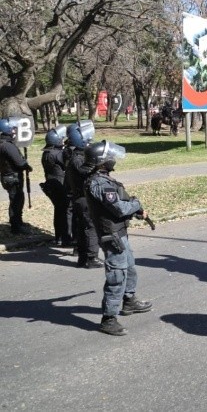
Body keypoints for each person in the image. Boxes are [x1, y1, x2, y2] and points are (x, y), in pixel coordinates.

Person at [83, 140, 152, 336]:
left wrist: (135, 212)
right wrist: (136, 204)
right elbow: (119, 208)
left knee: (129, 267)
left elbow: (118, 208)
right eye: (110, 158)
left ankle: (129, 301)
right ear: (101, 162)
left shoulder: (103, 179)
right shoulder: (99, 183)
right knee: (117, 276)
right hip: (111, 236)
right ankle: (108, 318)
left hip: (119, 233)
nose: (114, 160)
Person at [65, 121, 102, 268]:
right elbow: (84, 171)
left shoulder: (77, 155)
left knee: (82, 228)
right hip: (84, 198)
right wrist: (97, 165)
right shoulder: (78, 158)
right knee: (90, 227)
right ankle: (91, 258)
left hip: (79, 198)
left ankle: (82, 258)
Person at [0, 118, 33, 235]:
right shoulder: (7, 145)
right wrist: (27, 166)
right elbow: (19, 162)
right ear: (7, 130)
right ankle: (16, 226)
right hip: (12, 177)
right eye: (13, 129)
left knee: (17, 199)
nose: (15, 131)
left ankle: (18, 222)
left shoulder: (3, 143)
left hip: (7, 176)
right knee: (16, 201)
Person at [40, 125, 71, 245]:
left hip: (50, 183)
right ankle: (66, 237)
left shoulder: (47, 152)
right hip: (60, 184)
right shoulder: (57, 153)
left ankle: (58, 237)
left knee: (58, 211)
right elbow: (67, 164)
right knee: (65, 211)